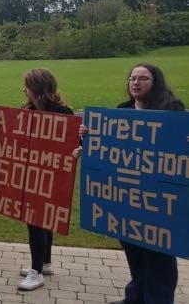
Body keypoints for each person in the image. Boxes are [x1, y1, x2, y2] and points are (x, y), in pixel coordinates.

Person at [79, 63, 184, 304]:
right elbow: (108, 150)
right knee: (134, 252)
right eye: (132, 78)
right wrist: (89, 137)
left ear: (155, 82)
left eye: (143, 78)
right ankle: (135, 297)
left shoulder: (172, 111)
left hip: (157, 199)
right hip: (126, 197)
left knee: (158, 257)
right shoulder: (122, 111)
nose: (136, 82)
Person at [15, 68, 75, 291]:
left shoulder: (63, 112)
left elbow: (70, 144)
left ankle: (36, 272)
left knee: (37, 222)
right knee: (42, 221)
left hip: (51, 176)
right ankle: (45, 263)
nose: (24, 89)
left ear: (37, 88)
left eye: (27, 85)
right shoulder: (28, 110)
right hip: (32, 174)